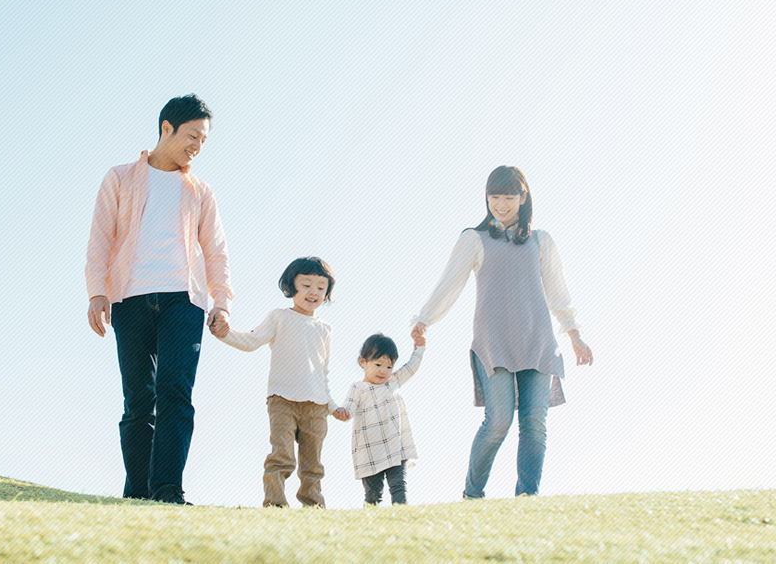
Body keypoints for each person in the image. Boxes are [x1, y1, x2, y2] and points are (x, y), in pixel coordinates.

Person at [84, 94, 234, 505]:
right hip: (129, 298)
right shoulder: (120, 178)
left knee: (175, 392)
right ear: (166, 127)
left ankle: (167, 490)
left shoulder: (200, 191)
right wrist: (97, 292)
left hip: (183, 301)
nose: (197, 147)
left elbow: (216, 250)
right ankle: (137, 493)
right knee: (138, 397)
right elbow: (100, 238)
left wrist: (221, 301)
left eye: (203, 140)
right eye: (192, 135)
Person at [411, 166, 592, 499]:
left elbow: (557, 292)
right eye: (495, 197)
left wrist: (574, 334)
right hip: (493, 342)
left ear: (523, 198)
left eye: (509, 197)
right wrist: (424, 318)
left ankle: (526, 498)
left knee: (534, 424)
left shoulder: (541, 241)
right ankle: (472, 495)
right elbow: (449, 282)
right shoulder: (475, 239)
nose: (501, 205)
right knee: (498, 422)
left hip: (537, 341)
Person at [217, 257, 349, 508]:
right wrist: (224, 333)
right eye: (307, 284)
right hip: (282, 401)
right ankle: (275, 505)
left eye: (321, 287)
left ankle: (314, 507)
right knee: (282, 456)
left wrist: (332, 407)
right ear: (291, 287)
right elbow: (251, 341)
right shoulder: (279, 317)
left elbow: (323, 374)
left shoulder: (325, 329)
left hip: (317, 406)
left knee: (313, 464)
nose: (314, 292)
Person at [342, 334, 423, 505]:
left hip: (396, 445)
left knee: (399, 486)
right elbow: (348, 407)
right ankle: (370, 522)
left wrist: (420, 347)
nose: (383, 371)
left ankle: (402, 518)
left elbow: (412, 366)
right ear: (362, 362)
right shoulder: (358, 388)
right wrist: (342, 413)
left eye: (389, 366)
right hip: (369, 449)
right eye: (378, 364)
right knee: (373, 493)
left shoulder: (392, 381)